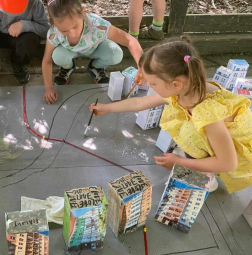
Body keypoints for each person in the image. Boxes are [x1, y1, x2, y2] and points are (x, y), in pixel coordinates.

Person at [90, 37, 252, 194]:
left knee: (190, 132)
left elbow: (228, 163)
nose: (148, 85)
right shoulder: (185, 88)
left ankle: (208, 178)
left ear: (176, 84)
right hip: (220, 142)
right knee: (189, 131)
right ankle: (199, 160)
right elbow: (139, 103)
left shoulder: (208, 114)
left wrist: (180, 163)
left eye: (153, 83)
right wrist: (107, 108)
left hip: (236, 155)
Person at [42, 0, 143, 104]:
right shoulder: (54, 33)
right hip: (69, 52)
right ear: (53, 23)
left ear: (83, 11)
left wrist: (142, 66)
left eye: (75, 26)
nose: (72, 34)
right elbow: (46, 60)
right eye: (64, 31)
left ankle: (96, 66)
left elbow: (129, 40)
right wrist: (48, 88)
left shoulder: (97, 24)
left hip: (95, 49)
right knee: (58, 56)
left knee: (115, 54)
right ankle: (67, 67)